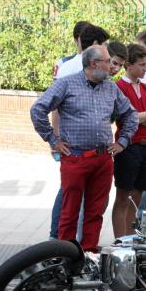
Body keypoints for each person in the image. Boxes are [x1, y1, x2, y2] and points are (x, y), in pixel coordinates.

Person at [30, 45, 139, 253]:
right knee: (69, 210)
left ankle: (88, 253)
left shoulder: (111, 88)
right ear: (93, 64)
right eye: (108, 61)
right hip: (75, 157)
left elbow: (131, 115)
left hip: (103, 158)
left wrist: (122, 142)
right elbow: (38, 109)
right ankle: (65, 254)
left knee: (95, 210)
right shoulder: (66, 84)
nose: (112, 66)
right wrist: (52, 139)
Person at [49, 24, 110, 240]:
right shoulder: (70, 70)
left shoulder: (104, 79)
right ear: (94, 47)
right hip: (73, 150)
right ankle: (58, 241)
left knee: (86, 203)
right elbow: (53, 106)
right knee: (69, 200)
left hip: (98, 154)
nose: (108, 56)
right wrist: (54, 139)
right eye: (104, 46)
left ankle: (83, 245)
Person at [111, 44, 146, 240]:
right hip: (128, 146)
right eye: (141, 64)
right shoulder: (118, 87)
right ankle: (119, 239)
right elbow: (124, 119)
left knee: (138, 197)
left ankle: (130, 237)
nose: (145, 68)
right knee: (123, 196)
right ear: (128, 65)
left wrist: (142, 115)